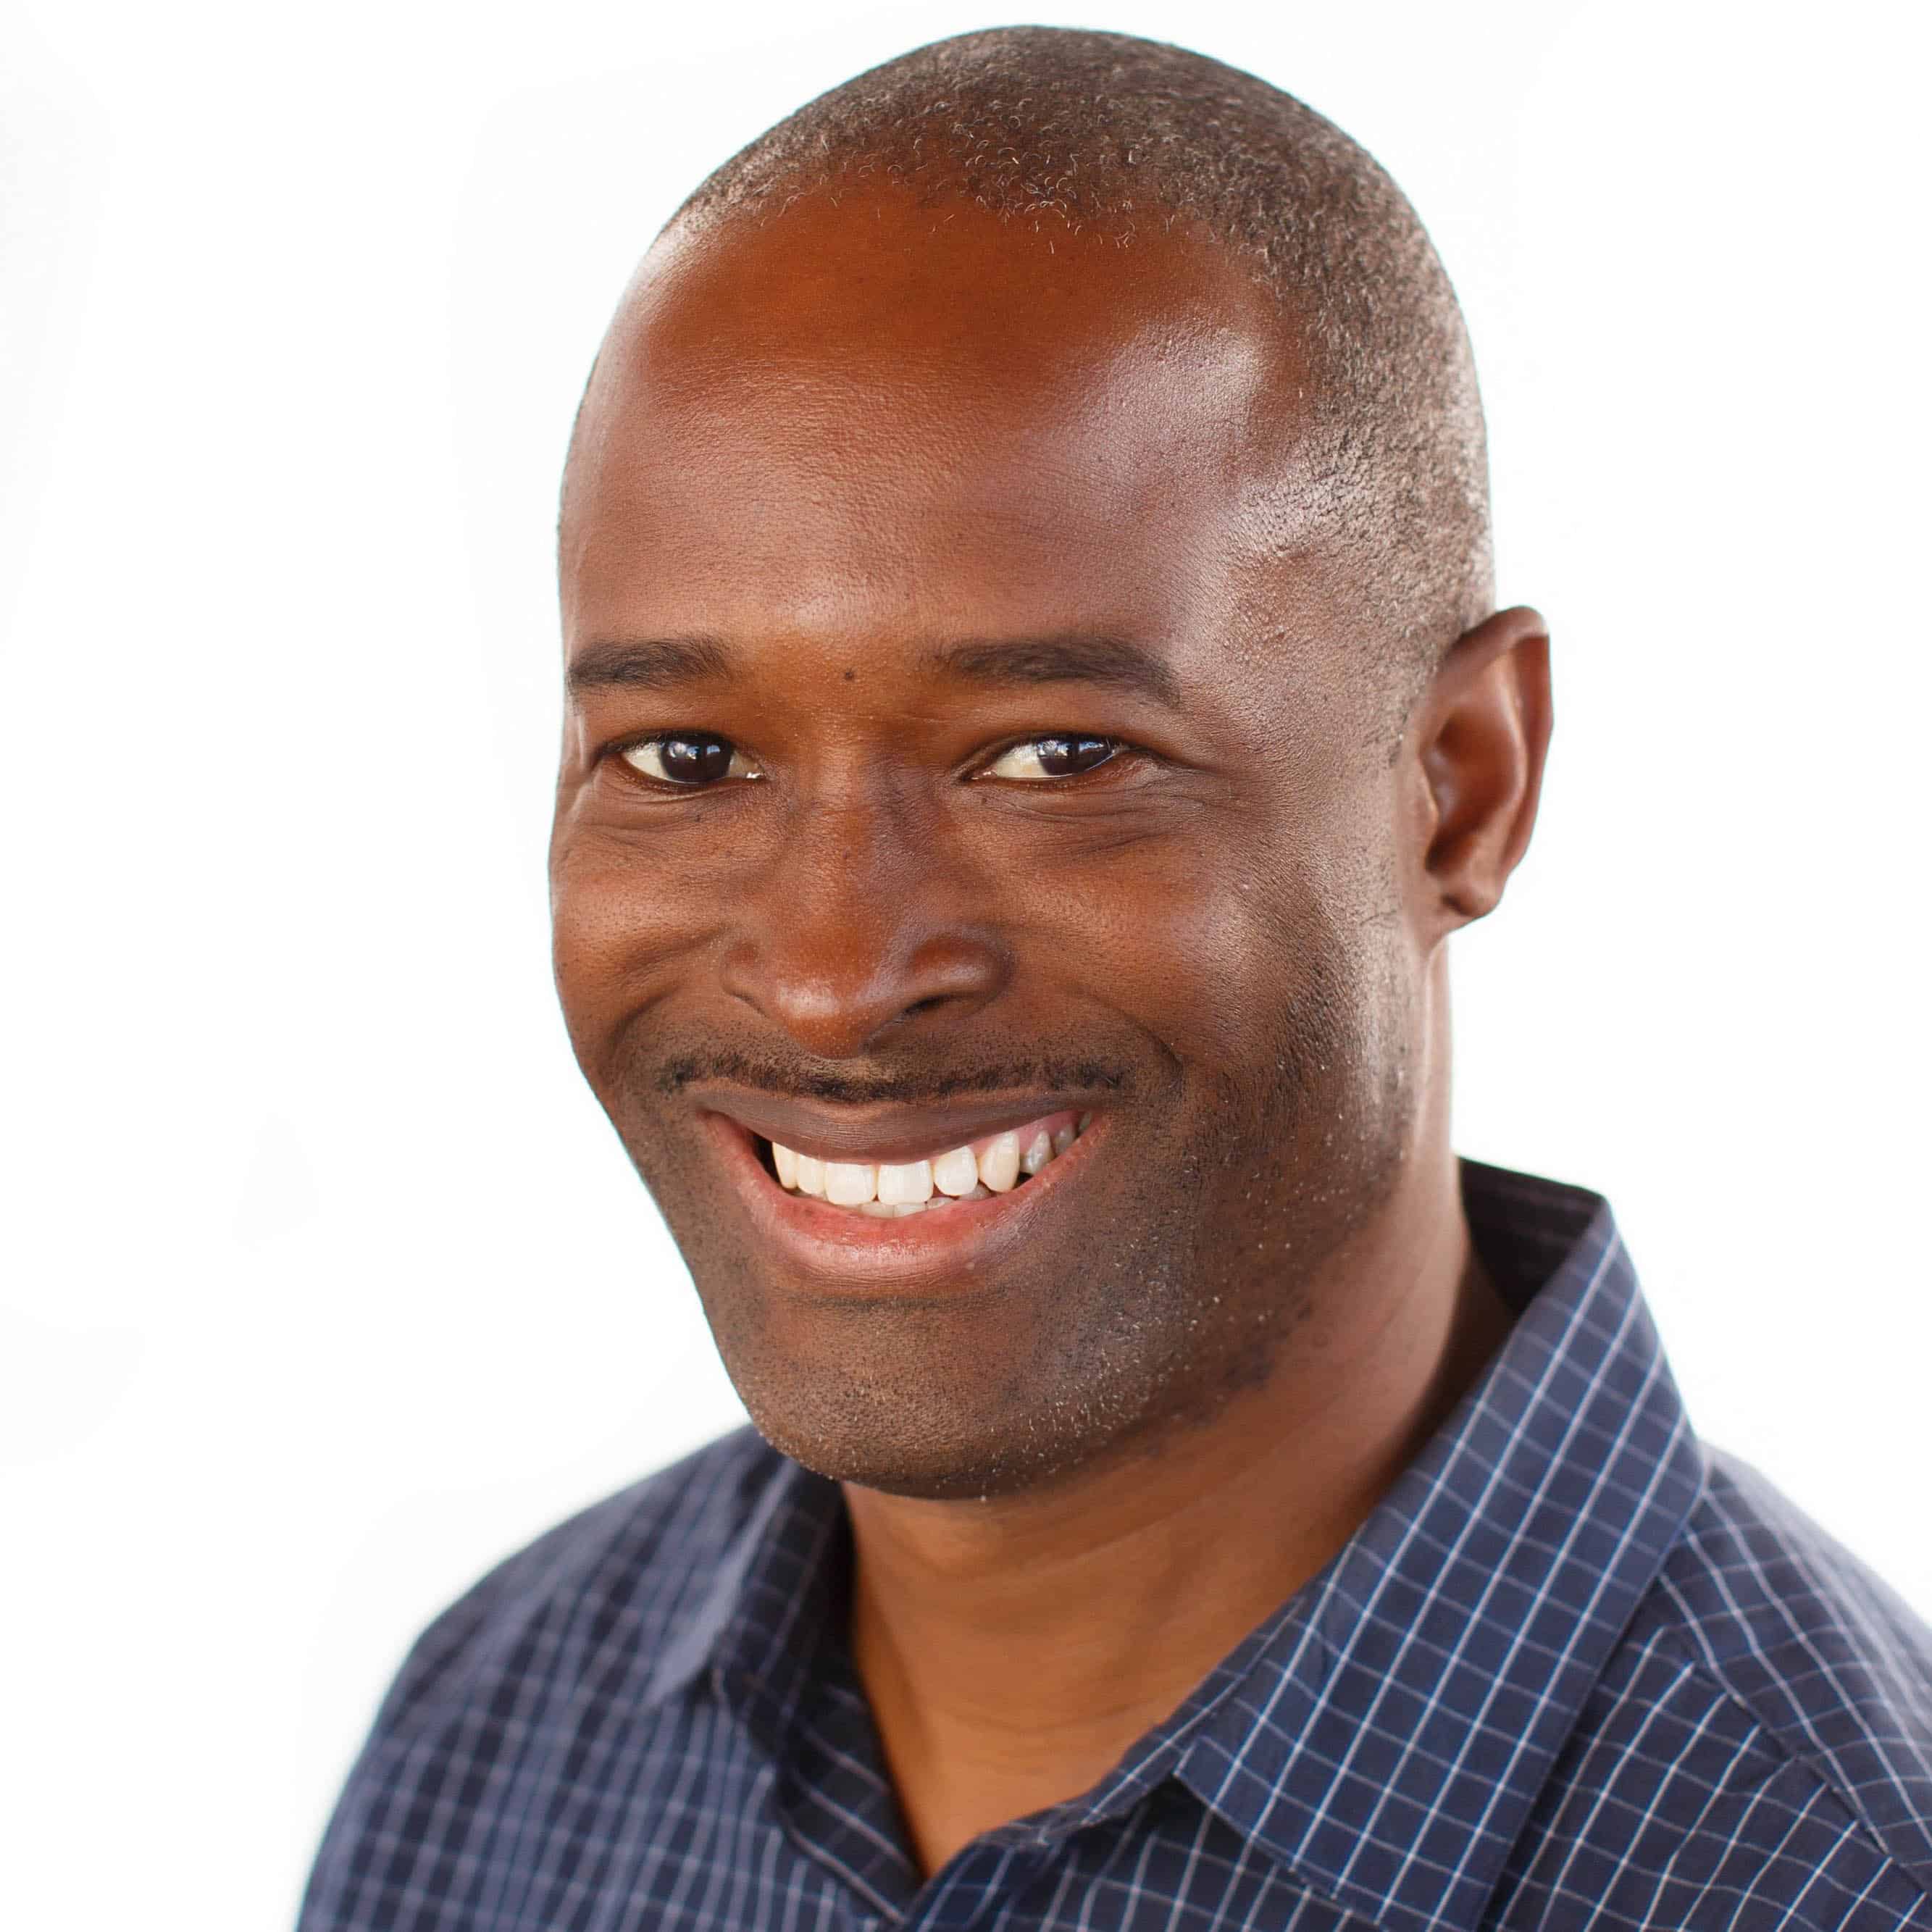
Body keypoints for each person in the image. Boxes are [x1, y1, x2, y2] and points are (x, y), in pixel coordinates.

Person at [299, 26, 1932, 1931]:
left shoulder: (1831, 1879)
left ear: (1459, 785)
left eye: (1056, 757)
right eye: (686, 757)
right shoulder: (499, 1741)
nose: (832, 976)